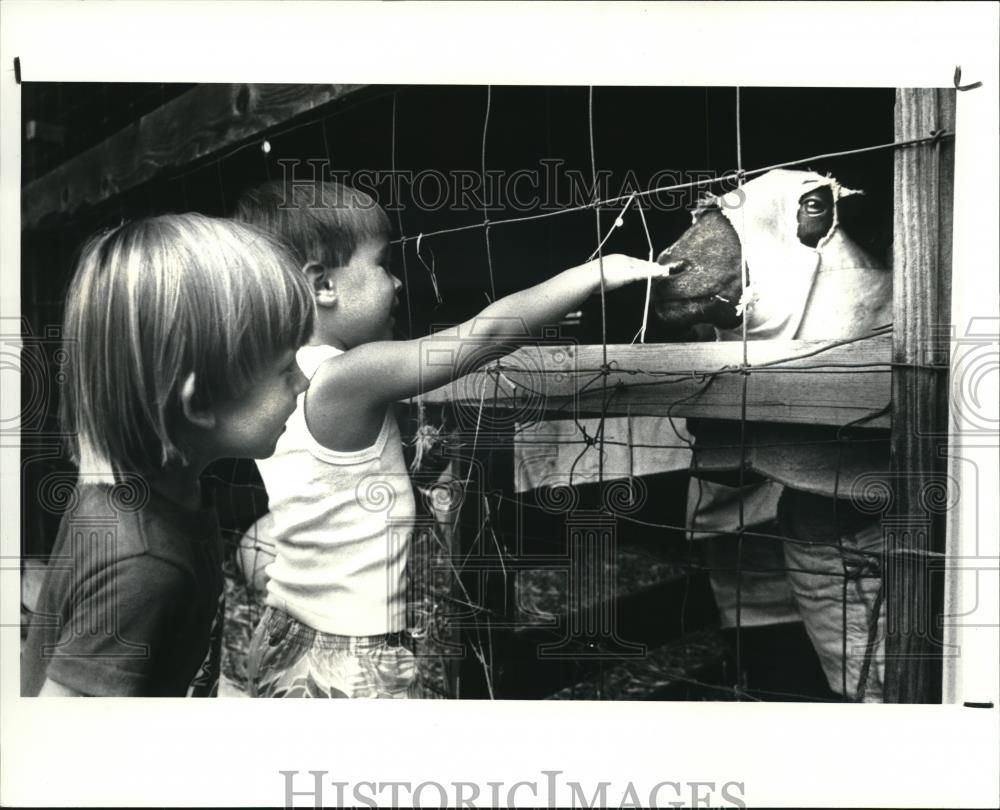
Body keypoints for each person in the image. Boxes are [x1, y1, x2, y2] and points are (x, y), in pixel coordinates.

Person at [235, 179, 665, 698]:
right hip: (351, 653)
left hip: (284, 632)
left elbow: (339, 491)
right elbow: (481, 337)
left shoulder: (273, 380)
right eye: (382, 264)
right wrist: (592, 273)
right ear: (323, 284)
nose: (396, 284)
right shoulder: (345, 376)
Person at [21, 214, 315, 697]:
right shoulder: (143, 564)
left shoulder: (143, 494)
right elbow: (66, 739)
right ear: (198, 403)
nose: (303, 383)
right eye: (286, 369)